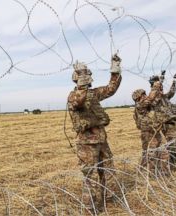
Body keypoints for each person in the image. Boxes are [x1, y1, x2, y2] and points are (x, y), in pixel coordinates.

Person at [67, 54, 122, 211]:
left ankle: (109, 200)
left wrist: (115, 68)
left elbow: (111, 88)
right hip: (86, 143)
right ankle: (89, 207)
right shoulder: (73, 95)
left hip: (101, 140)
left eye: (88, 74)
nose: (89, 77)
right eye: (85, 75)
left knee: (108, 170)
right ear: (77, 78)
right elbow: (78, 101)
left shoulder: (94, 93)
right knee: (90, 175)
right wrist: (82, 82)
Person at [149, 73, 176, 169]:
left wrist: (174, 80)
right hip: (164, 125)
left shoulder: (165, 97)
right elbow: (154, 95)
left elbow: (172, 92)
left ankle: (172, 163)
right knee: (169, 146)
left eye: (161, 86)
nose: (161, 88)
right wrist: (160, 81)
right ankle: (167, 165)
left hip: (173, 125)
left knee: (175, 144)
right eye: (159, 86)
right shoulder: (153, 98)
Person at [132, 89, 168, 175]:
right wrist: (155, 88)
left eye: (145, 94)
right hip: (148, 133)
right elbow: (149, 100)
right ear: (138, 98)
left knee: (163, 151)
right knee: (150, 153)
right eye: (143, 95)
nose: (145, 96)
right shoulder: (139, 105)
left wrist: (159, 93)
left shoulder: (149, 106)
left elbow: (156, 100)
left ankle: (164, 171)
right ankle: (150, 173)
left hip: (156, 131)